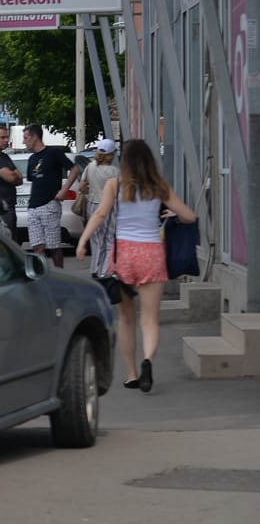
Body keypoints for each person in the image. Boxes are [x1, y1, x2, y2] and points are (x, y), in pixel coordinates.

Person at [75, 139, 196, 393]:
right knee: (150, 319)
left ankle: (131, 375)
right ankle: (147, 360)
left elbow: (100, 215)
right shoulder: (160, 187)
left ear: (126, 162)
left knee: (127, 319)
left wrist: (83, 241)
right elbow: (189, 217)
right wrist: (172, 214)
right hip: (151, 254)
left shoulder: (115, 185)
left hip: (124, 255)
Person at [23, 125, 80, 267]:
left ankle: (59, 272)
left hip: (49, 204)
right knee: (37, 246)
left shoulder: (53, 153)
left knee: (54, 246)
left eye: (26, 138)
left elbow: (74, 169)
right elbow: (34, 180)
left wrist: (64, 190)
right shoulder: (32, 159)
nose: (24, 142)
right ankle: (42, 274)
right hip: (33, 206)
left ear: (35, 137)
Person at [79, 138, 121, 268]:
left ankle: (95, 268)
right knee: (109, 240)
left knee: (95, 239)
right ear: (111, 155)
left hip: (92, 205)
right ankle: (104, 270)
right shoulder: (114, 171)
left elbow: (82, 187)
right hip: (108, 207)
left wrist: (92, 189)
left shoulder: (90, 167)